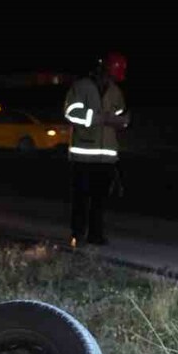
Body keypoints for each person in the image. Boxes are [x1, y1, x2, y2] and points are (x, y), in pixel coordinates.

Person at [63, 51, 129, 247]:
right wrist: (99, 118)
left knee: (99, 200)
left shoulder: (115, 91)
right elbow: (71, 113)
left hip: (106, 157)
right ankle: (78, 234)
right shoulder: (81, 86)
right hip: (83, 156)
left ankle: (95, 235)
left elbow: (120, 115)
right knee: (81, 199)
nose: (113, 77)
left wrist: (122, 121)